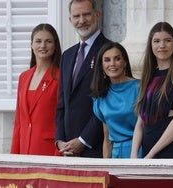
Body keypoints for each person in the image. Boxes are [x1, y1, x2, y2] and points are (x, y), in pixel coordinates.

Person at [131, 22, 173, 159]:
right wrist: (133, 156)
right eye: (156, 41)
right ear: (151, 45)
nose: (162, 45)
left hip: (171, 152)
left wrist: (151, 154)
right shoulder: (149, 76)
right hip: (146, 153)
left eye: (167, 40)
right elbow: (140, 122)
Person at [55, 0, 111, 157]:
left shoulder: (111, 52)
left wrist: (83, 140)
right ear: (70, 20)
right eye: (76, 16)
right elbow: (62, 104)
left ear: (97, 15)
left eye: (86, 14)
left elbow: (110, 104)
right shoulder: (67, 56)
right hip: (67, 151)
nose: (81, 20)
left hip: (96, 148)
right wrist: (60, 140)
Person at [10, 23, 62, 155]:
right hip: (24, 150)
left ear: (55, 46)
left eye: (48, 41)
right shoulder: (24, 77)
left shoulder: (60, 77)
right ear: (32, 45)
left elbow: (63, 119)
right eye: (38, 41)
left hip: (49, 150)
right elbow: (19, 122)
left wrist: (58, 155)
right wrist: (14, 157)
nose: (43, 46)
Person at [91, 42, 141, 158]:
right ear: (102, 65)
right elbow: (107, 139)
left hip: (139, 152)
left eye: (117, 59)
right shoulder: (100, 96)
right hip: (116, 156)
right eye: (107, 60)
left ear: (125, 62)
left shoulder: (139, 88)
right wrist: (106, 168)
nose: (112, 64)